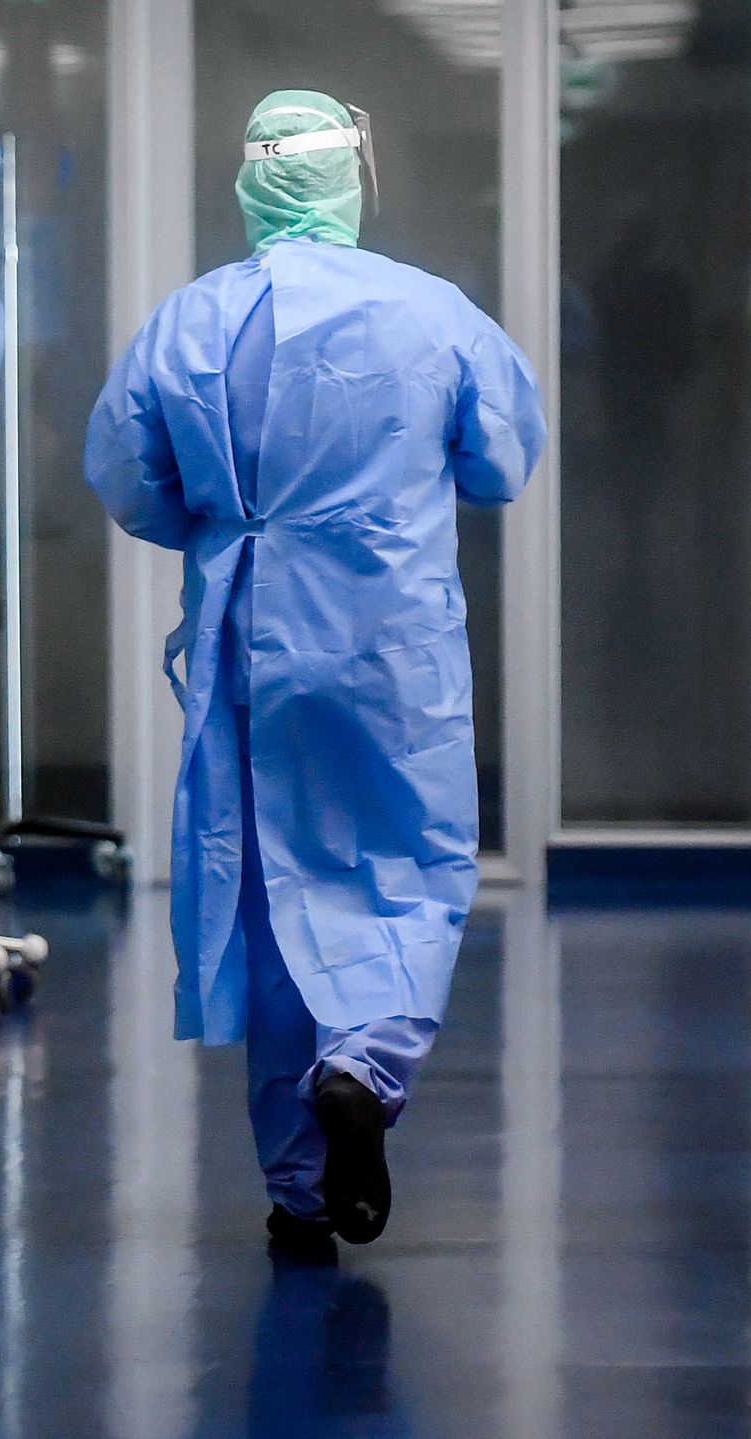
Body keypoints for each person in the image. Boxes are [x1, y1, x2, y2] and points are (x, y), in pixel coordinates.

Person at [84, 90, 544, 1257]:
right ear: (353, 181)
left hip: (250, 642)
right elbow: (500, 464)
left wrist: (236, 519)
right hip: (394, 646)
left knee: (274, 888)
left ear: (249, 183)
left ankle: (299, 1186)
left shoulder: (188, 323)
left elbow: (130, 479)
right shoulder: (432, 314)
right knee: (406, 862)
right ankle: (368, 1062)